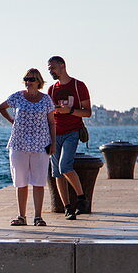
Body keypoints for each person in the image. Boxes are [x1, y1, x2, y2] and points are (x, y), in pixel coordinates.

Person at [0, 68, 56, 226]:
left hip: (41, 144)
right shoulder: (18, 96)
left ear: (38, 81)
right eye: (26, 79)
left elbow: (51, 122)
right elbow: (1, 107)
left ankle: (38, 217)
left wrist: (53, 143)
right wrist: (12, 120)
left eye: (31, 79)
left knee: (39, 182)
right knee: (20, 182)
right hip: (19, 144)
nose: (28, 82)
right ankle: (21, 216)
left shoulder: (46, 100)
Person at [47, 56, 92, 219]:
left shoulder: (78, 86)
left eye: (52, 67)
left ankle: (81, 199)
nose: (50, 71)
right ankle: (67, 208)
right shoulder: (51, 89)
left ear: (62, 66)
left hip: (72, 131)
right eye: (49, 68)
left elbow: (87, 112)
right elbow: (49, 113)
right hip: (54, 133)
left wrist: (70, 111)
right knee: (57, 172)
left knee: (65, 166)